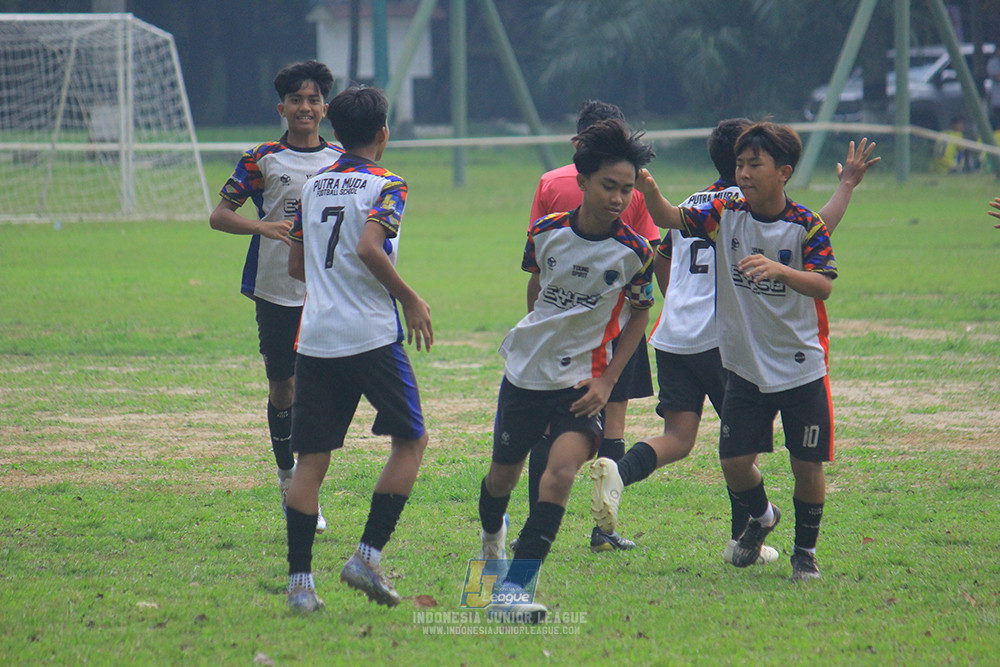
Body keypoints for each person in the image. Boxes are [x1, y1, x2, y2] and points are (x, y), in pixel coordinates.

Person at [591, 121, 879, 566]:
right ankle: (751, 528)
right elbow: (669, 221)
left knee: (777, 459)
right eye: (741, 163)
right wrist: (649, 193)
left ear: (782, 170)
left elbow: (820, 275)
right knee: (736, 459)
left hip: (740, 349)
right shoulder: (725, 210)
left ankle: (800, 551)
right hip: (735, 354)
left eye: (754, 163)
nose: (745, 171)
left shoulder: (784, 219)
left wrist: (776, 270)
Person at [477, 118, 656, 623]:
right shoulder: (544, 233)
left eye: (627, 189)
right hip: (527, 377)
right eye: (609, 186)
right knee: (501, 479)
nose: (619, 198)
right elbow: (536, 290)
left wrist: (606, 380)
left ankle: (512, 592)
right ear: (581, 180)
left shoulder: (636, 253)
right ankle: (493, 537)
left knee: (558, 477)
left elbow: (640, 312)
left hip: (583, 383)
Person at [283, 86, 433, 613]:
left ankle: (300, 586)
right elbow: (371, 246)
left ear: (336, 129)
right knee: (411, 441)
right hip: (370, 335)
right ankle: (365, 557)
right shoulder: (387, 184)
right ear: (383, 134)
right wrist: (410, 298)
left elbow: (298, 268)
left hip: (317, 337)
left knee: (311, 461)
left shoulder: (313, 184)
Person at [209, 60, 341, 532]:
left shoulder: (342, 161)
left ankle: (308, 494)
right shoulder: (262, 157)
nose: (305, 107)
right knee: (284, 389)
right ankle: (287, 478)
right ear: (281, 107)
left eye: (313, 100)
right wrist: (260, 225)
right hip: (275, 290)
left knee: (316, 393)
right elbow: (219, 215)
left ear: (325, 108)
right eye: (296, 100)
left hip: (325, 293)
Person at [525, 100, 660, 553]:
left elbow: (538, 264)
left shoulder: (550, 182)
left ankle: (535, 520)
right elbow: (647, 251)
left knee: (547, 424)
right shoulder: (632, 186)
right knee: (613, 420)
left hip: (557, 324)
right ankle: (603, 531)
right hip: (614, 324)